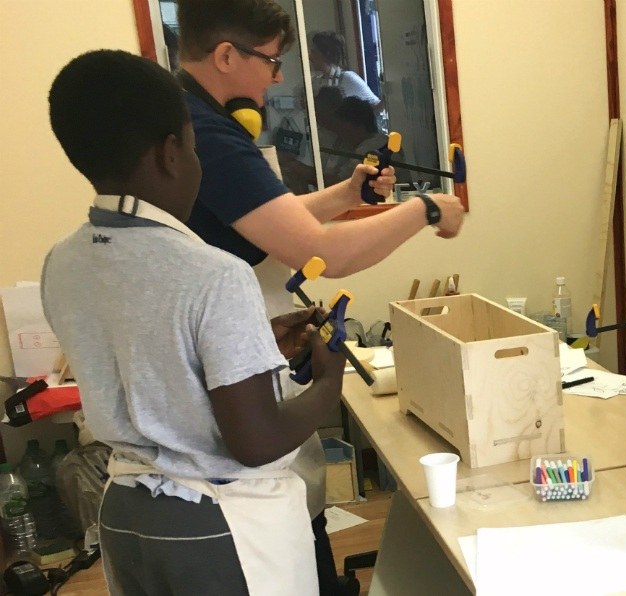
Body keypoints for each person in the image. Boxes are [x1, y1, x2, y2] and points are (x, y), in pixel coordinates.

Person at [173, 1, 463, 593]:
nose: (278, 76)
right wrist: (426, 209)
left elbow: (265, 220)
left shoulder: (193, 118)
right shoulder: (213, 137)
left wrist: (346, 194)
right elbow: (326, 256)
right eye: (270, 60)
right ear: (226, 56)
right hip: (226, 454)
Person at [43, 49, 343, 595]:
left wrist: (253, 344)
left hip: (127, 514)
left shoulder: (63, 261)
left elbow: (150, 355)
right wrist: (329, 382)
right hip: (217, 525)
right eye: (195, 147)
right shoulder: (214, 273)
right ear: (171, 153)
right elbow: (256, 441)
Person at [308, 31, 382, 109]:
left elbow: (378, 106)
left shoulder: (346, 78)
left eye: (313, 52)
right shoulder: (317, 82)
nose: (309, 57)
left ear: (326, 54)